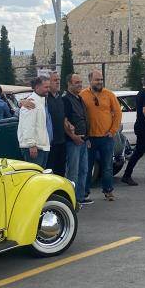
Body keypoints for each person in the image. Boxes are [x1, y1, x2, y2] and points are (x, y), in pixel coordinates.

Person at [80, 70, 122, 202]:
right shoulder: (82, 95)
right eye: (97, 79)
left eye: (101, 79)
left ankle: (108, 191)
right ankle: (85, 193)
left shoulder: (109, 95)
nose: (99, 82)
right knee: (87, 167)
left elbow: (117, 113)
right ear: (90, 81)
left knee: (107, 166)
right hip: (89, 138)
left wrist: (113, 131)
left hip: (106, 138)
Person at [63, 74, 92, 206]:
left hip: (83, 141)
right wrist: (74, 137)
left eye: (81, 82)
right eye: (76, 82)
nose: (79, 85)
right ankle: (72, 199)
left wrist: (87, 138)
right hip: (73, 143)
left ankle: (80, 198)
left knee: (84, 170)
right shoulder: (66, 100)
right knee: (73, 172)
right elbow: (65, 122)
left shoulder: (79, 98)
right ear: (69, 84)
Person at [17, 75, 51, 168]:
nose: (48, 89)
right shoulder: (31, 102)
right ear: (37, 87)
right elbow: (28, 125)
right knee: (35, 176)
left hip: (42, 146)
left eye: (49, 87)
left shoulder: (41, 101)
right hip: (34, 148)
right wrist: (32, 145)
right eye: (46, 87)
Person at [46, 73, 68, 176]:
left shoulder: (60, 98)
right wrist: (22, 102)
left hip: (61, 141)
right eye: (55, 80)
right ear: (48, 82)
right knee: (50, 172)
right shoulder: (44, 98)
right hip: (50, 143)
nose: (58, 82)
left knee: (61, 172)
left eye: (58, 79)